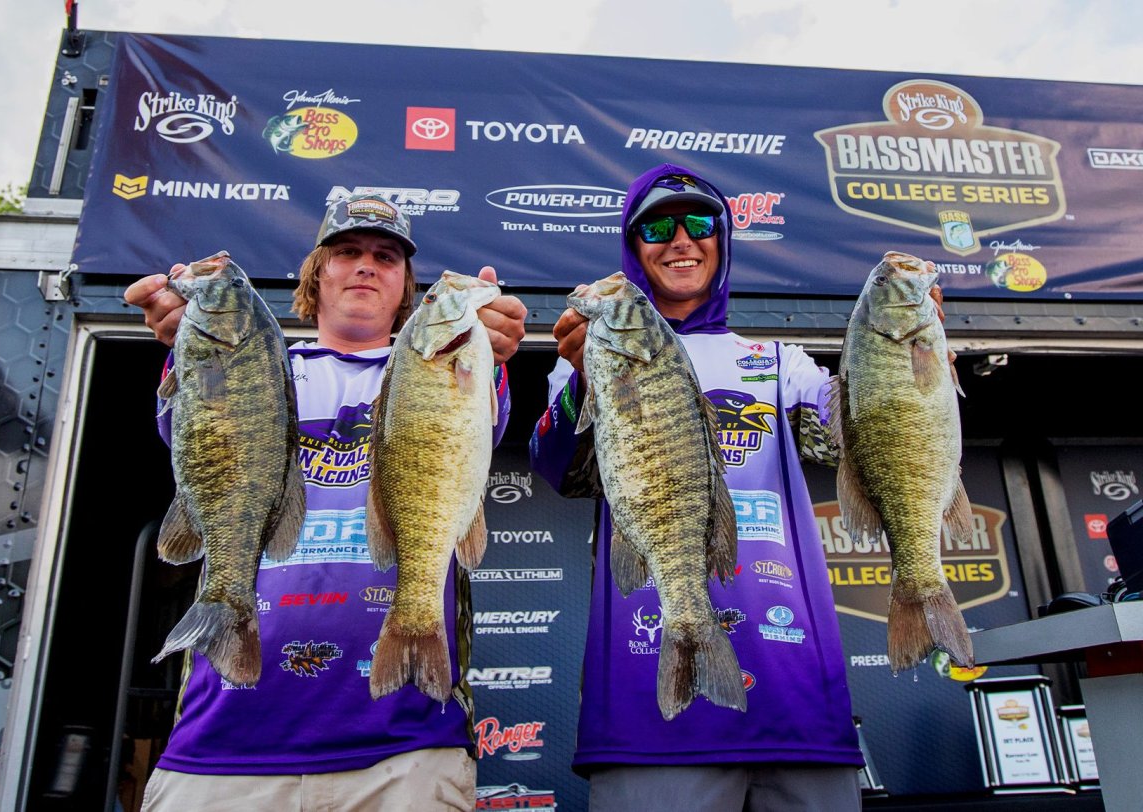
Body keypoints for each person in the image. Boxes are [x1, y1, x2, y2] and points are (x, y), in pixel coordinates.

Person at [529, 164, 945, 811]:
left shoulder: (780, 362)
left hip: (798, 701)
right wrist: (582, 377)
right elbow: (562, 467)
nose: (680, 241)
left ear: (721, 242)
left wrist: (913, 362)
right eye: (656, 227)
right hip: (650, 712)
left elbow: (862, 442)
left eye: (699, 224)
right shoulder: (588, 356)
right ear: (632, 248)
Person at [123, 191, 527, 811]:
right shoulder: (254, 363)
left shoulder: (443, 371)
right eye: (347, 252)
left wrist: (489, 352)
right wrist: (188, 344)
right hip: (220, 744)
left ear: (406, 288)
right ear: (317, 274)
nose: (366, 265)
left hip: (405, 748)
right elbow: (193, 436)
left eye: (386, 257)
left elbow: (478, 420)